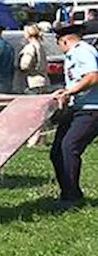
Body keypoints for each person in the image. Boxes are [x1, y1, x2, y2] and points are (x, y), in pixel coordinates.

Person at [50, 24, 98, 210]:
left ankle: (72, 198)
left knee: (69, 147)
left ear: (64, 40)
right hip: (77, 108)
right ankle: (69, 194)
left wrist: (70, 91)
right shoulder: (74, 54)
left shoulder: (82, 51)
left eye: (59, 43)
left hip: (91, 109)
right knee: (57, 151)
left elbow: (93, 76)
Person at [18, 23, 49, 95]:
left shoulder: (30, 47)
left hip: (33, 81)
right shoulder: (40, 46)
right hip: (43, 80)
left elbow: (25, 65)